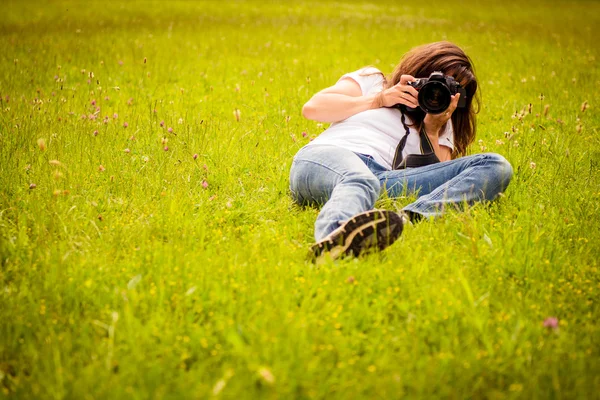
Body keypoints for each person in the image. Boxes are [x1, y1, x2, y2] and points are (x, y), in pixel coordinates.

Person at [289, 41, 513, 260]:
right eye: (435, 82)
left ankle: (403, 219)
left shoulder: (442, 126)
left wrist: (431, 131)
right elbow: (313, 109)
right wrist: (379, 99)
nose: (437, 93)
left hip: (383, 180)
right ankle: (334, 242)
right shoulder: (374, 81)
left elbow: (441, 183)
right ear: (419, 69)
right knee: (360, 179)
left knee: (496, 165)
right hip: (328, 158)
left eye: (450, 89)